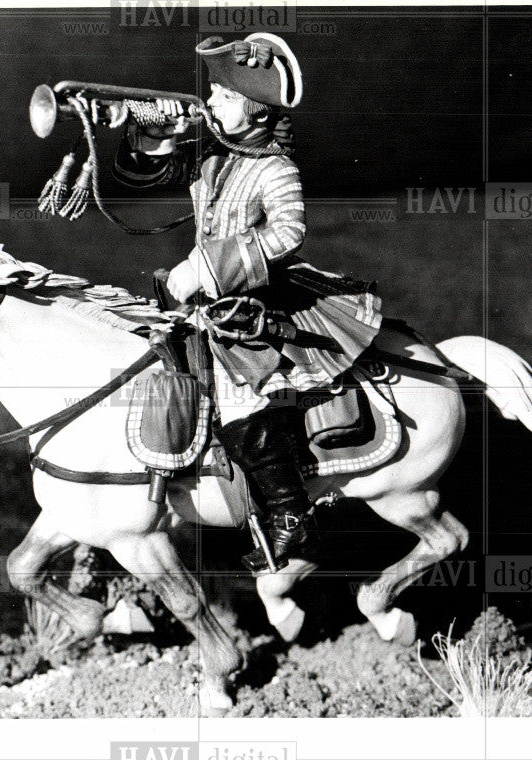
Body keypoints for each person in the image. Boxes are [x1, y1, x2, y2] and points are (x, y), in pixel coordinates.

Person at [112, 33, 383, 573]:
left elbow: (288, 235)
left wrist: (208, 268)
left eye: (224, 97)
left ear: (257, 114)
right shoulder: (212, 156)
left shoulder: (275, 169)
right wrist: (150, 131)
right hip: (197, 298)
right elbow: (140, 176)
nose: (210, 103)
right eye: (212, 93)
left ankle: (290, 515)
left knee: (241, 398)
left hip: (252, 300)